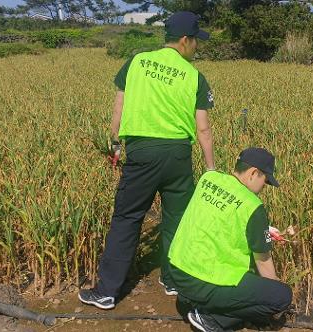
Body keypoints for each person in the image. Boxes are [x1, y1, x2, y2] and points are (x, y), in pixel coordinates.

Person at [78, 11, 215, 309]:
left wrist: (115, 143)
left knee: (127, 218)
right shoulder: (194, 76)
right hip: (178, 156)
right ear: (184, 41)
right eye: (196, 42)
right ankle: (173, 280)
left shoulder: (136, 62)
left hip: (141, 153)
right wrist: (210, 168)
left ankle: (107, 291)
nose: (197, 48)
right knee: (176, 219)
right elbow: (202, 127)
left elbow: (119, 107)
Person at [168, 147, 293, 332]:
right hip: (204, 281)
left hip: (177, 272)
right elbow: (264, 263)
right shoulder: (252, 206)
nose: (263, 188)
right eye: (265, 181)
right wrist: (273, 295)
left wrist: (262, 230)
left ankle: (197, 302)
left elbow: (220, 217)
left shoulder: (208, 179)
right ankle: (212, 319)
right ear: (254, 173)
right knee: (281, 296)